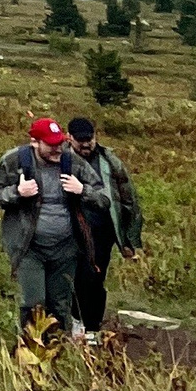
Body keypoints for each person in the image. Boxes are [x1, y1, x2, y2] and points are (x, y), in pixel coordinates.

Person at [0, 117, 105, 343]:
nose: (58, 149)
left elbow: (104, 199)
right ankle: (30, 352)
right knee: (33, 304)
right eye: (51, 144)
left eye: (60, 143)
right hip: (29, 248)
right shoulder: (15, 161)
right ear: (35, 142)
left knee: (60, 305)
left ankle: (57, 351)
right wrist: (16, 192)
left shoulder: (73, 163)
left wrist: (82, 190)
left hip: (66, 249)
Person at [67, 116, 144, 331]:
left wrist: (129, 240)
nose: (85, 143)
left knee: (94, 279)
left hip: (101, 233)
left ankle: (92, 327)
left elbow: (128, 199)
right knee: (71, 279)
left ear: (95, 136)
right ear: (69, 138)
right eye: (80, 139)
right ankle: (73, 324)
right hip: (69, 232)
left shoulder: (110, 161)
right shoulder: (61, 159)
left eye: (89, 138)